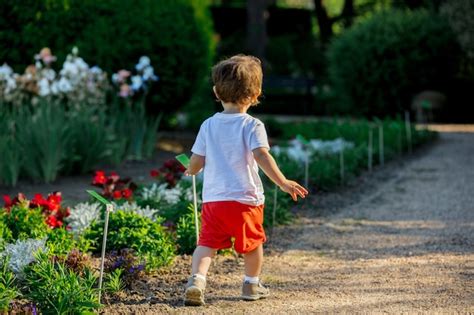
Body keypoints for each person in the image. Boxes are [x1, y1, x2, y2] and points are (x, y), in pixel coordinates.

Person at [184, 55, 308, 306]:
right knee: (252, 245)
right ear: (256, 94)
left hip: (215, 200)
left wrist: (191, 170)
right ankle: (251, 284)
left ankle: (197, 280)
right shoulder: (253, 125)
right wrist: (282, 181)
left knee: (207, 243)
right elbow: (262, 155)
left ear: (216, 92)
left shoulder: (208, 125)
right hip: (245, 200)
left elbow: (196, 162)